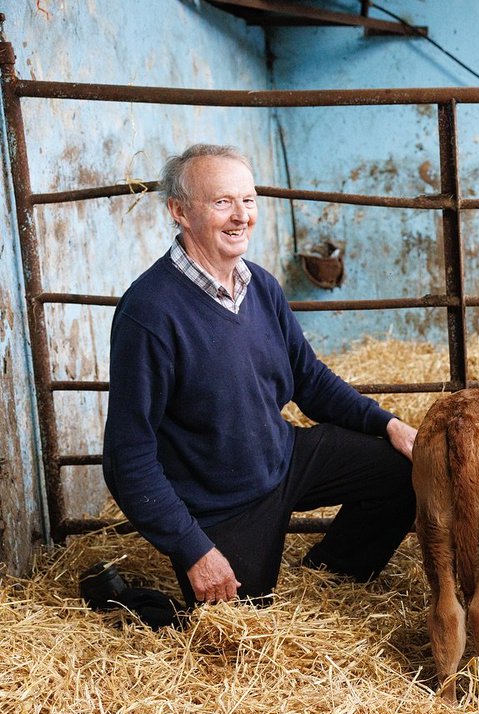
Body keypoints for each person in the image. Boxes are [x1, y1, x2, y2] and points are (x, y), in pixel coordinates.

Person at [103, 144, 418, 607]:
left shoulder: (260, 285)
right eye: (221, 202)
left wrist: (387, 424)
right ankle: (124, 599)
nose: (240, 216)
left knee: (404, 473)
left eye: (247, 200)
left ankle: (331, 574)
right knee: (238, 625)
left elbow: (308, 379)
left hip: (283, 458)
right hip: (219, 501)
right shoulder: (150, 313)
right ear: (179, 211)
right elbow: (127, 459)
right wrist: (195, 550)